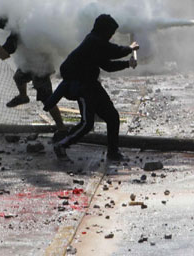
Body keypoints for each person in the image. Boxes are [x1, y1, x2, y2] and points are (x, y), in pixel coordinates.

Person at [45, 14, 139, 161]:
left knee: (112, 117)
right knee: (87, 124)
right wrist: (130, 48)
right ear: (104, 30)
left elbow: (107, 65)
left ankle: (113, 152)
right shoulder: (93, 41)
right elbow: (113, 51)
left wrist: (127, 64)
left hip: (91, 84)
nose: (111, 36)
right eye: (110, 33)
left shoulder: (96, 42)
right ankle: (61, 144)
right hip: (81, 85)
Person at [0, 16, 67, 141]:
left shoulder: (22, 25)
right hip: (30, 61)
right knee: (19, 77)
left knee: (47, 99)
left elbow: (11, 44)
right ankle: (23, 96)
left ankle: (61, 127)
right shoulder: (25, 21)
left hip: (41, 65)